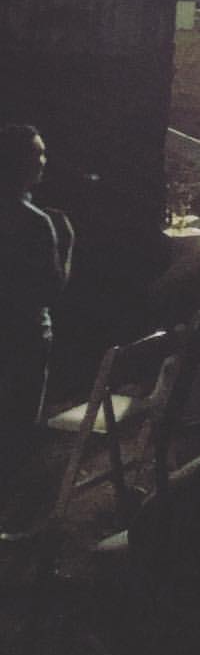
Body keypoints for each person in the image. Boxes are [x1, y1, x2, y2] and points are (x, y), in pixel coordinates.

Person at [0, 125, 75, 479]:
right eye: (38, 154)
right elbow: (51, 290)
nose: (44, 161)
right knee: (18, 426)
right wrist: (68, 244)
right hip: (26, 334)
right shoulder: (37, 223)